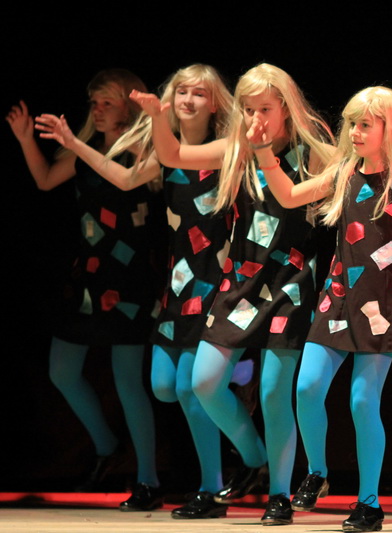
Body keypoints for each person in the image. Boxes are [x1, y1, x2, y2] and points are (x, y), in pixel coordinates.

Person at [258, 85, 392, 532]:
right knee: (307, 387)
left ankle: (369, 503)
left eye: (365, 125)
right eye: (351, 124)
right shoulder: (344, 170)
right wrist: (263, 154)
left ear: (389, 129)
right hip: (339, 295)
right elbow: (290, 196)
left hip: (387, 302)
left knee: (361, 400)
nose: (354, 132)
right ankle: (317, 472)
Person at [132, 62, 335, 525]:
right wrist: (158, 117)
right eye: (247, 109)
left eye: (264, 108)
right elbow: (174, 155)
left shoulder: (311, 152)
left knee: (274, 393)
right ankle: (254, 460)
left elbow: (300, 193)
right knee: (203, 381)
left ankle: (279, 494)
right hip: (241, 279)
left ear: (286, 107)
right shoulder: (239, 147)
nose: (255, 118)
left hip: (290, 281)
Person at [36, 63, 238, 518]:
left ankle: (218, 473)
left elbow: (152, 167)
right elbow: (124, 177)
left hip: (184, 275)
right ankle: (230, 462)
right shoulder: (164, 147)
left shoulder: (199, 146)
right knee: (164, 387)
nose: (187, 99)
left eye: (197, 93)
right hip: (161, 276)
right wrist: (72, 143)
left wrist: (155, 122)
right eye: (180, 92)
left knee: (178, 385)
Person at [6, 69, 164, 510]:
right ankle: (106, 447)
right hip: (91, 276)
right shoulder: (82, 149)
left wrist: (77, 144)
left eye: (107, 102)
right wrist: (26, 139)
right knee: (62, 371)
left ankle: (148, 480)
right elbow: (45, 180)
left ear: (129, 106)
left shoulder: (144, 151)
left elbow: (132, 179)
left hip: (132, 277)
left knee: (128, 381)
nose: (97, 109)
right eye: (94, 102)